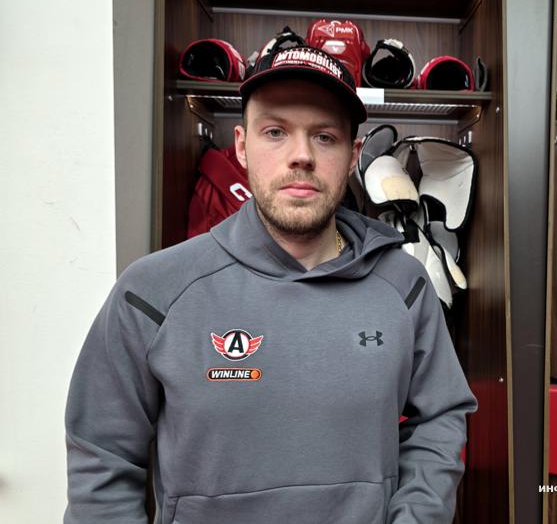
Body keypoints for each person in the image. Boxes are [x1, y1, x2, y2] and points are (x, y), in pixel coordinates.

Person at [64, 45, 477, 524]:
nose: (301, 156)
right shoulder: (153, 291)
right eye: (276, 132)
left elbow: (439, 420)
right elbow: (101, 460)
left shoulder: (404, 285)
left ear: (352, 156)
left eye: (324, 137)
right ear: (241, 145)